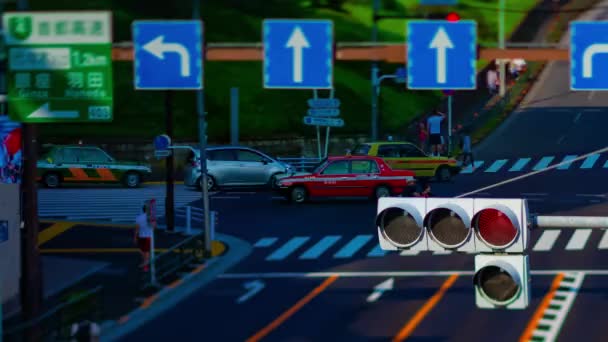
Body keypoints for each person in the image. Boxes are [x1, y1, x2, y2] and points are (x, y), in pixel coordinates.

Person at [134, 204, 156, 272]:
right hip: (148, 236)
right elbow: (154, 227)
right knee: (146, 251)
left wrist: (135, 237)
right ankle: (146, 263)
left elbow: (137, 228)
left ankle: (145, 263)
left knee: (142, 250)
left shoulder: (139, 217)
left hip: (141, 236)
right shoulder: (151, 218)